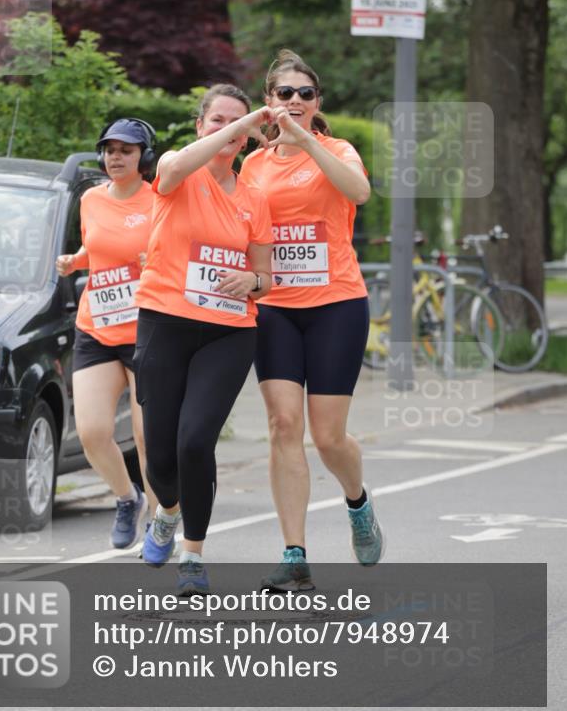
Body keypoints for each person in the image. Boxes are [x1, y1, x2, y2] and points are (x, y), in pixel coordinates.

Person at [239, 49, 383, 590]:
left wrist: (305, 143)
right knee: (282, 426)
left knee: (328, 437)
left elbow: (360, 192)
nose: (294, 101)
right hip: (275, 308)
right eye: (284, 94)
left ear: (316, 103)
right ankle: (294, 552)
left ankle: (357, 501)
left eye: (304, 94)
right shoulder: (252, 165)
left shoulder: (337, 148)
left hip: (336, 305)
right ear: (268, 102)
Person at [133, 85, 274, 596]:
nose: (228, 131)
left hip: (228, 330)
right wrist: (237, 126)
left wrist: (252, 283)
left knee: (196, 441)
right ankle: (166, 511)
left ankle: (192, 553)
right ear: (200, 126)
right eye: (217, 121)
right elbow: (168, 171)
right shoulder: (177, 168)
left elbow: (267, 276)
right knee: (161, 455)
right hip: (165, 322)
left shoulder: (255, 197)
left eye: (238, 124)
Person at [56, 118, 158, 550]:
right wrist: (75, 262)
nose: (115, 157)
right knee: (93, 430)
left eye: (126, 150)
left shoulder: (160, 200)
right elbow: (96, 249)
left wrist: (151, 258)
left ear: (144, 158)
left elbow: (178, 252)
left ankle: (160, 519)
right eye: (110, 149)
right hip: (96, 325)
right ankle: (126, 498)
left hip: (147, 331)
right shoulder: (92, 199)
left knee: (146, 435)